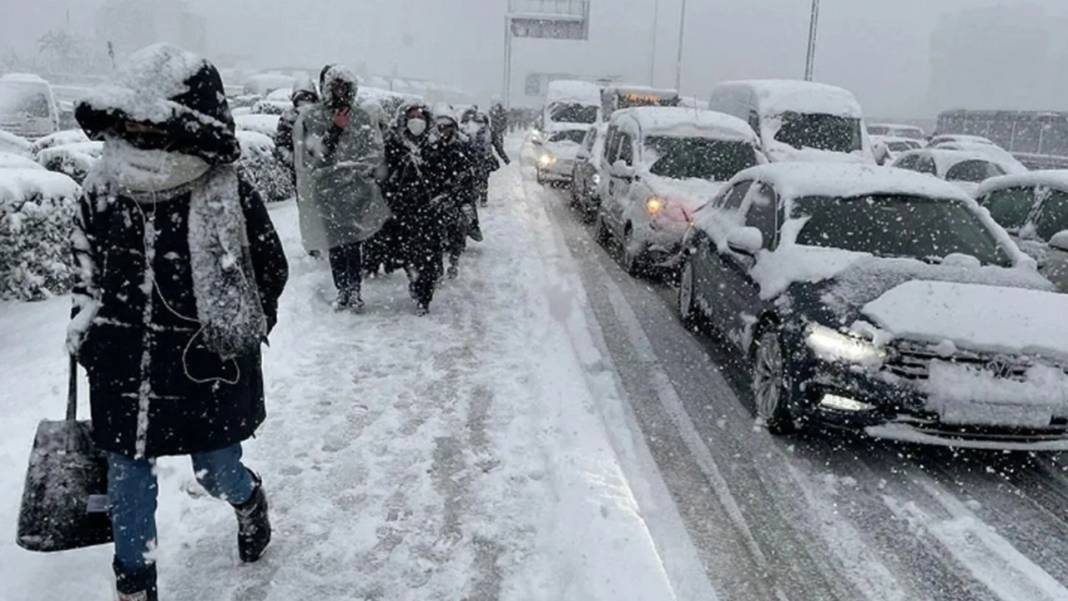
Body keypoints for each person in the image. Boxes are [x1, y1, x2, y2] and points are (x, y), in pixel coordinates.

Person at [67, 44, 288, 601]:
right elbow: (84, 267)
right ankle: (135, 586)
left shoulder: (225, 187)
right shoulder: (103, 185)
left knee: (215, 469)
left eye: (155, 119)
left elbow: (269, 266)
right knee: (127, 480)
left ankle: (248, 500)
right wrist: (87, 329)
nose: (142, 130)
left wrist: (236, 327)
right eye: (135, 118)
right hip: (121, 364)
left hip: (203, 364)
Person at [293, 65, 390, 311]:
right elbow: (313, 156)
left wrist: (360, 171)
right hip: (327, 190)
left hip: (356, 190)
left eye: (345, 87)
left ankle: (354, 290)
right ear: (326, 89)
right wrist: (335, 130)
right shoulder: (313, 117)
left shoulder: (361, 116)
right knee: (335, 242)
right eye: (335, 87)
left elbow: (374, 151)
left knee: (353, 242)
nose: (340, 92)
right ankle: (342, 289)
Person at [382, 103, 449, 315]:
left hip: (428, 210)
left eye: (420, 116)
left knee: (428, 256)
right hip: (402, 210)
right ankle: (414, 279)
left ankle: (424, 296)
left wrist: (440, 197)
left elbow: (444, 175)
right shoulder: (394, 145)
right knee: (407, 254)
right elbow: (384, 175)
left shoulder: (435, 146)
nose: (416, 120)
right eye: (412, 116)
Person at [428, 113, 477, 279]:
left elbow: (469, 173)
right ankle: (438, 268)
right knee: (436, 234)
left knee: (458, 231)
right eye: (440, 127)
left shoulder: (462, 147)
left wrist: (462, 193)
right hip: (438, 196)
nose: (443, 131)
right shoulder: (431, 148)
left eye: (446, 127)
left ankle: (454, 262)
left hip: (458, 196)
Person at [461, 108, 502, 209]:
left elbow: (497, 145)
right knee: (474, 179)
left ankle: (483, 198)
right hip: (474, 160)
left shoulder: (490, 132)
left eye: (482, 122)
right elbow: (464, 145)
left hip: (485, 160)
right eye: (478, 122)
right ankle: (475, 197)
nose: (481, 124)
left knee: (484, 179)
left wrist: (505, 158)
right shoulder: (470, 132)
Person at [489, 100, 511, 165]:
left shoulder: (502, 113)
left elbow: (505, 121)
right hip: (495, 129)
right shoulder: (493, 114)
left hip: (498, 130)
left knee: (499, 145)